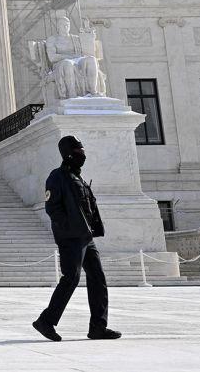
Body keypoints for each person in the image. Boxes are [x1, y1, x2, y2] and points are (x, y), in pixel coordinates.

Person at [32, 136, 121, 342]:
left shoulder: (77, 177)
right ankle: (46, 321)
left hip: (86, 237)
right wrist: (68, 228)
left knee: (98, 279)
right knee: (71, 278)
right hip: (71, 237)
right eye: (79, 151)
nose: (83, 154)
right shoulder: (57, 177)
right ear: (69, 154)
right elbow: (52, 207)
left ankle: (98, 327)